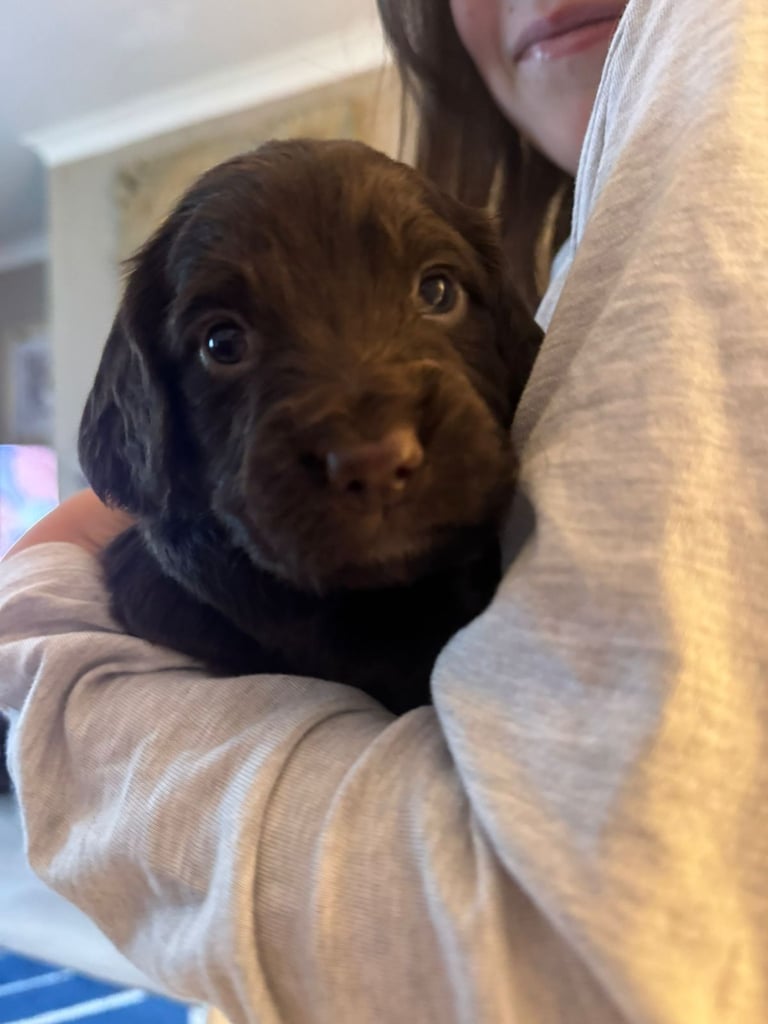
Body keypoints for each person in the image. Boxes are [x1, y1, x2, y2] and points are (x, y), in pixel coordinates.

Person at [1, 0, 767, 1020]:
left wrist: (40, 612)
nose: (373, 444)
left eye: (438, 291)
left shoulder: (719, 55)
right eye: (225, 342)